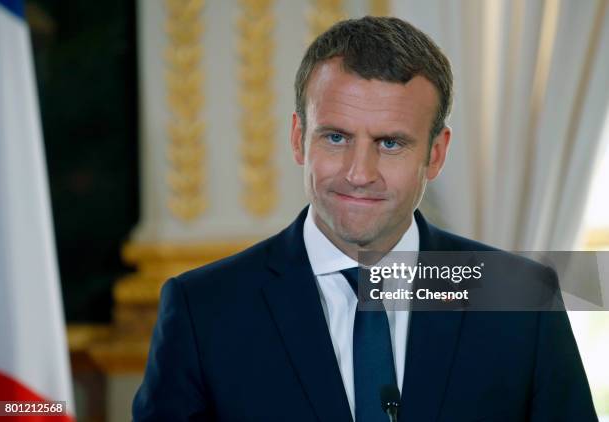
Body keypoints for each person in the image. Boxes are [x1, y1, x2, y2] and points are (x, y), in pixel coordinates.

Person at [132, 16, 597, 421]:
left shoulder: (522, 298)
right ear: (298, 138)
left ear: (435, 155)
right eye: (335, 137)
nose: (359, 173)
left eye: (390, 143)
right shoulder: (203, 310)